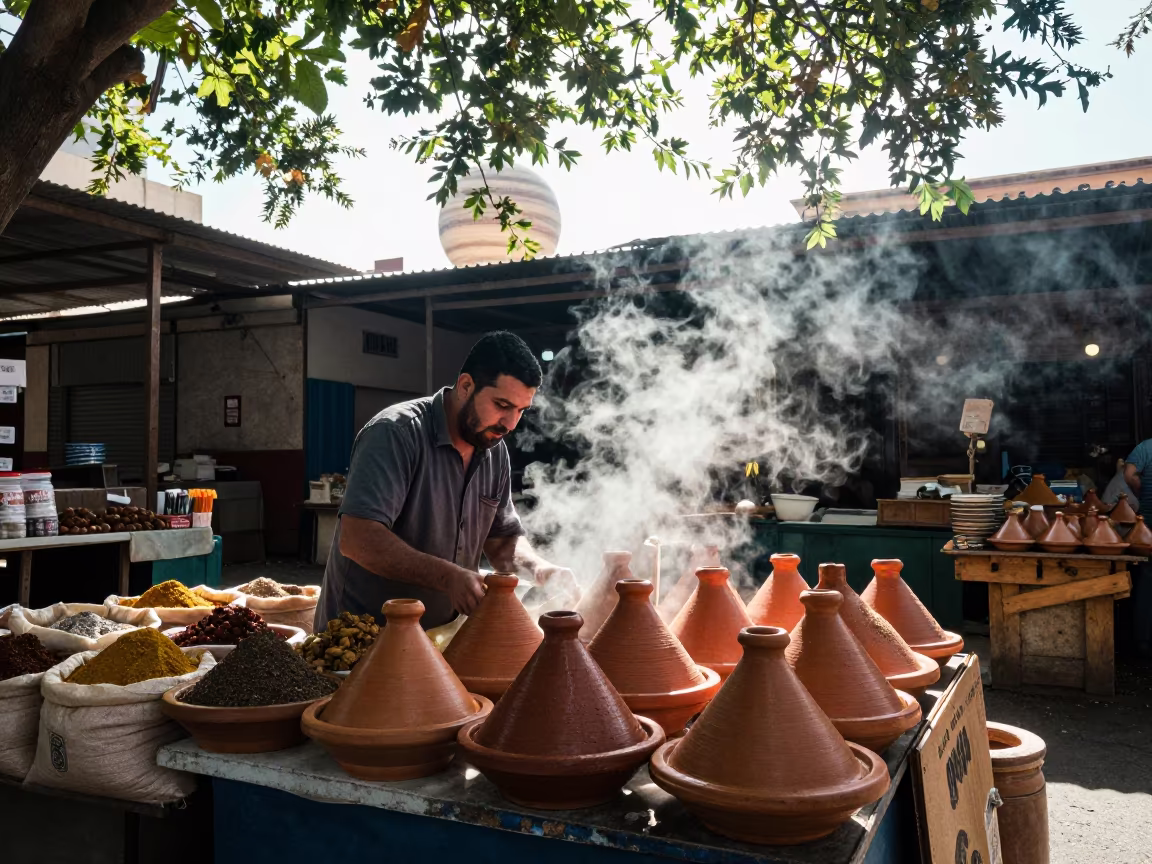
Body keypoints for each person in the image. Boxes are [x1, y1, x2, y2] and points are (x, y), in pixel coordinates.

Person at [314, 331, 576, 631]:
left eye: (521, 411)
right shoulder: (395, 433)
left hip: (441, 638)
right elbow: (358, 539)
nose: (511, 424)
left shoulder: (494, 450)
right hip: (362, 639)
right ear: (466, 385)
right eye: (502, 405)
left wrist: (539, 569)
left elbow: (502, 539)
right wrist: (448, 576)